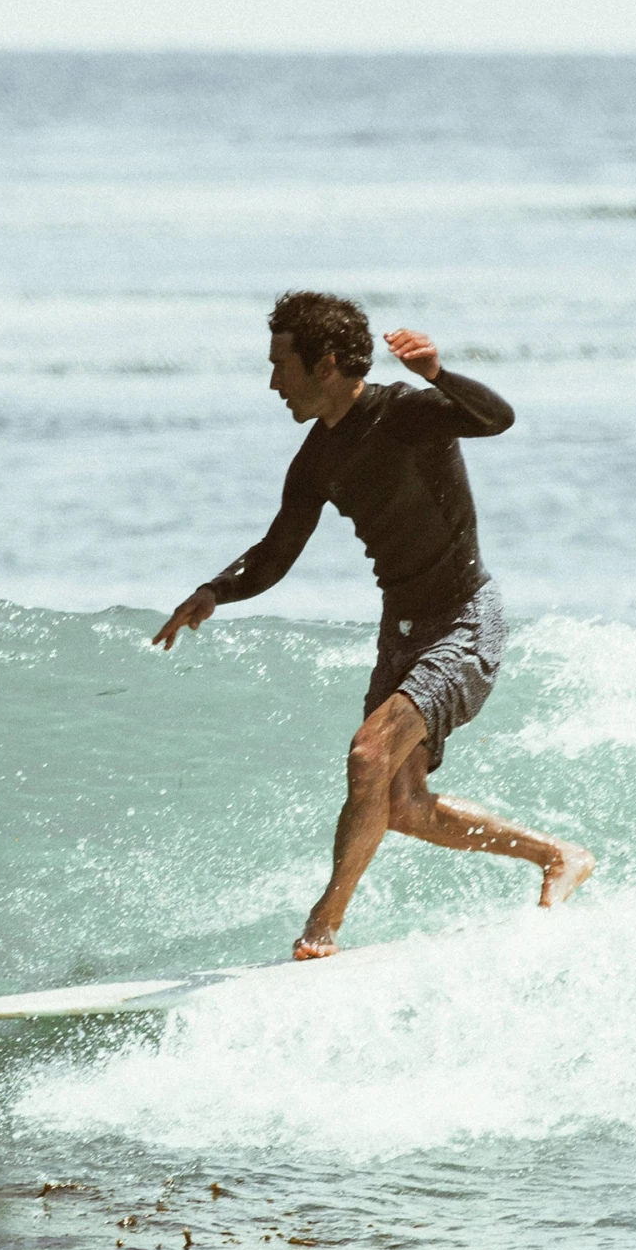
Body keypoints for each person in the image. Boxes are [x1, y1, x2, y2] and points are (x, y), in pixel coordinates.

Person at [152, 291, 594, 959]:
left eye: (282, 365)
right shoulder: (317, 457)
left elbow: (496, 418)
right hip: (404, 629)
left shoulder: (408, 414)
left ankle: (324, 922)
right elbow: (276, 553)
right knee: (404, 807)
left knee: (367, 754)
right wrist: (215, 590)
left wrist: (438, 374)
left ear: (325, 365)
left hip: (464, 619)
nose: (273, 382)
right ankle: (558, 855)